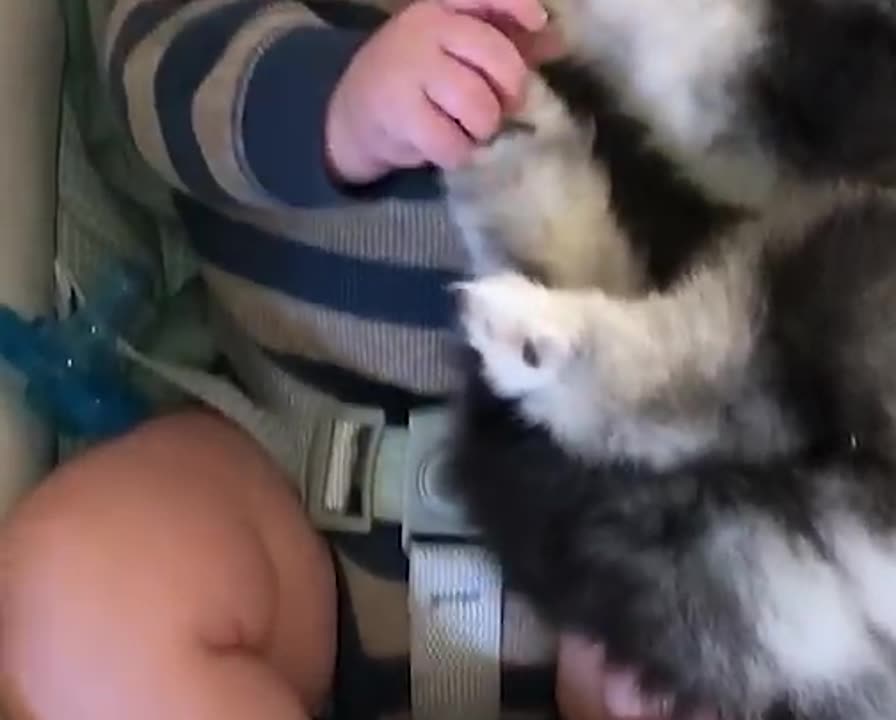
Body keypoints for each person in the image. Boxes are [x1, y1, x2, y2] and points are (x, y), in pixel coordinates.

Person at [0, 1, 666, 718]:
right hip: (288, 474)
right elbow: (152, 65)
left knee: (744, 630)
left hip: (632, 510)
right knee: (81, 599)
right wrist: (335, 101)